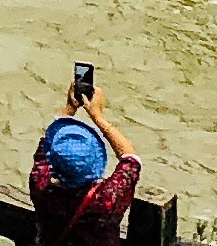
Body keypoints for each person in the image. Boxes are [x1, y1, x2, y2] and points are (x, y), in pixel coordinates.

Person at [29, 84, 142, 246]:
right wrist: (98, 117)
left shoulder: (40, 185)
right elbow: (132, 159)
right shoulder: (105, 199)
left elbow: (46, 145)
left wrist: (69, 108)